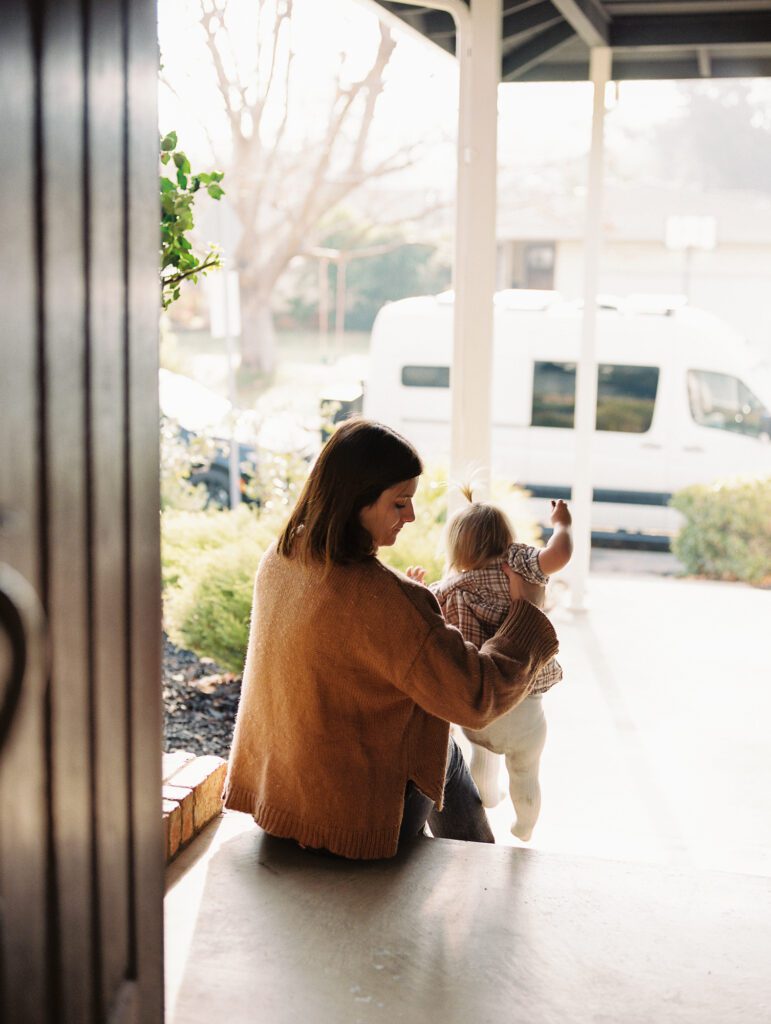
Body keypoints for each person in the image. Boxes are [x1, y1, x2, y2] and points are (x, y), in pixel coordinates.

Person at [224, 419, 559, 860]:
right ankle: (482, 865)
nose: (411, 516)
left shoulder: (283, 557)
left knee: (429, 714)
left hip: (281, 802)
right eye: (399, 503)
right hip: (351, 822)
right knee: (445, 744)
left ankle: (478, 859)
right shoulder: (387, 600)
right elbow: (477, 698)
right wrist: (527, 611)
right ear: (354, 501)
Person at [407, 490, 572, 841]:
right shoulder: (520, 562)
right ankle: (525, 825)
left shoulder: (448, 587)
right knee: (526, 772)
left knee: (481, 753)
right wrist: (562, 525)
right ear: (506, 537)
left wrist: (417, 586)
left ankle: (488, 794)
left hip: (481, 715)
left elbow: (421, 616)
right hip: (526, 710)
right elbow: (560, 554)